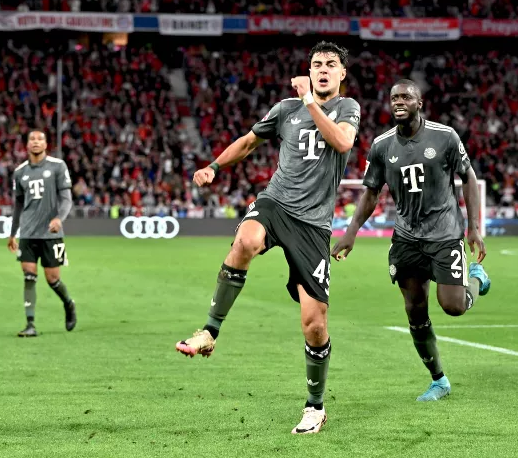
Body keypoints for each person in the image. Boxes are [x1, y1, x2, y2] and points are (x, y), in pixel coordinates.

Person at [176, 41, 361, 435]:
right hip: (276, 203)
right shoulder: (285, 109)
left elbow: (343, 143)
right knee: (245, 240)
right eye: (316, 64)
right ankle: (210, 331)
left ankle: (315, 407)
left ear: (342, 74)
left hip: (313, 226)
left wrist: (311, 102)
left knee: (314, 324)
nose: (323, 69)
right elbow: (247, 142)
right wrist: (213, 166)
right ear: (308, 70)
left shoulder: (347, 109)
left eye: (331, 64)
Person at [331, 79, 490, 402]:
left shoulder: (445, 137)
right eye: (394, 98)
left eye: (406, 97)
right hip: (406, 237)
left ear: (419, 103)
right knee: (415, 312)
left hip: (445, 234)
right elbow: (371, 192)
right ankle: (439, 380)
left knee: (454, 307)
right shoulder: (381, 146)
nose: (399, 102)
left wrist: (473, 227)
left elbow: (468, 178)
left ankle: (474, 278)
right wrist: (350, 231)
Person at [7, 130, 77, 337]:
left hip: (51, 233)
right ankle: (30, 324)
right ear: (27, 145)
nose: (36, 142)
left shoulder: (58, 166)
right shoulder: (20, 172)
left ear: (46, 144)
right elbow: (18, 204)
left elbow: (66, 199)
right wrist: (13, 233)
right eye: (32, 139)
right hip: (28, 233)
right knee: (29, 276)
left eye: (40, 139)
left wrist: (59, 219)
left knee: (53, 279)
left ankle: (68, 303)